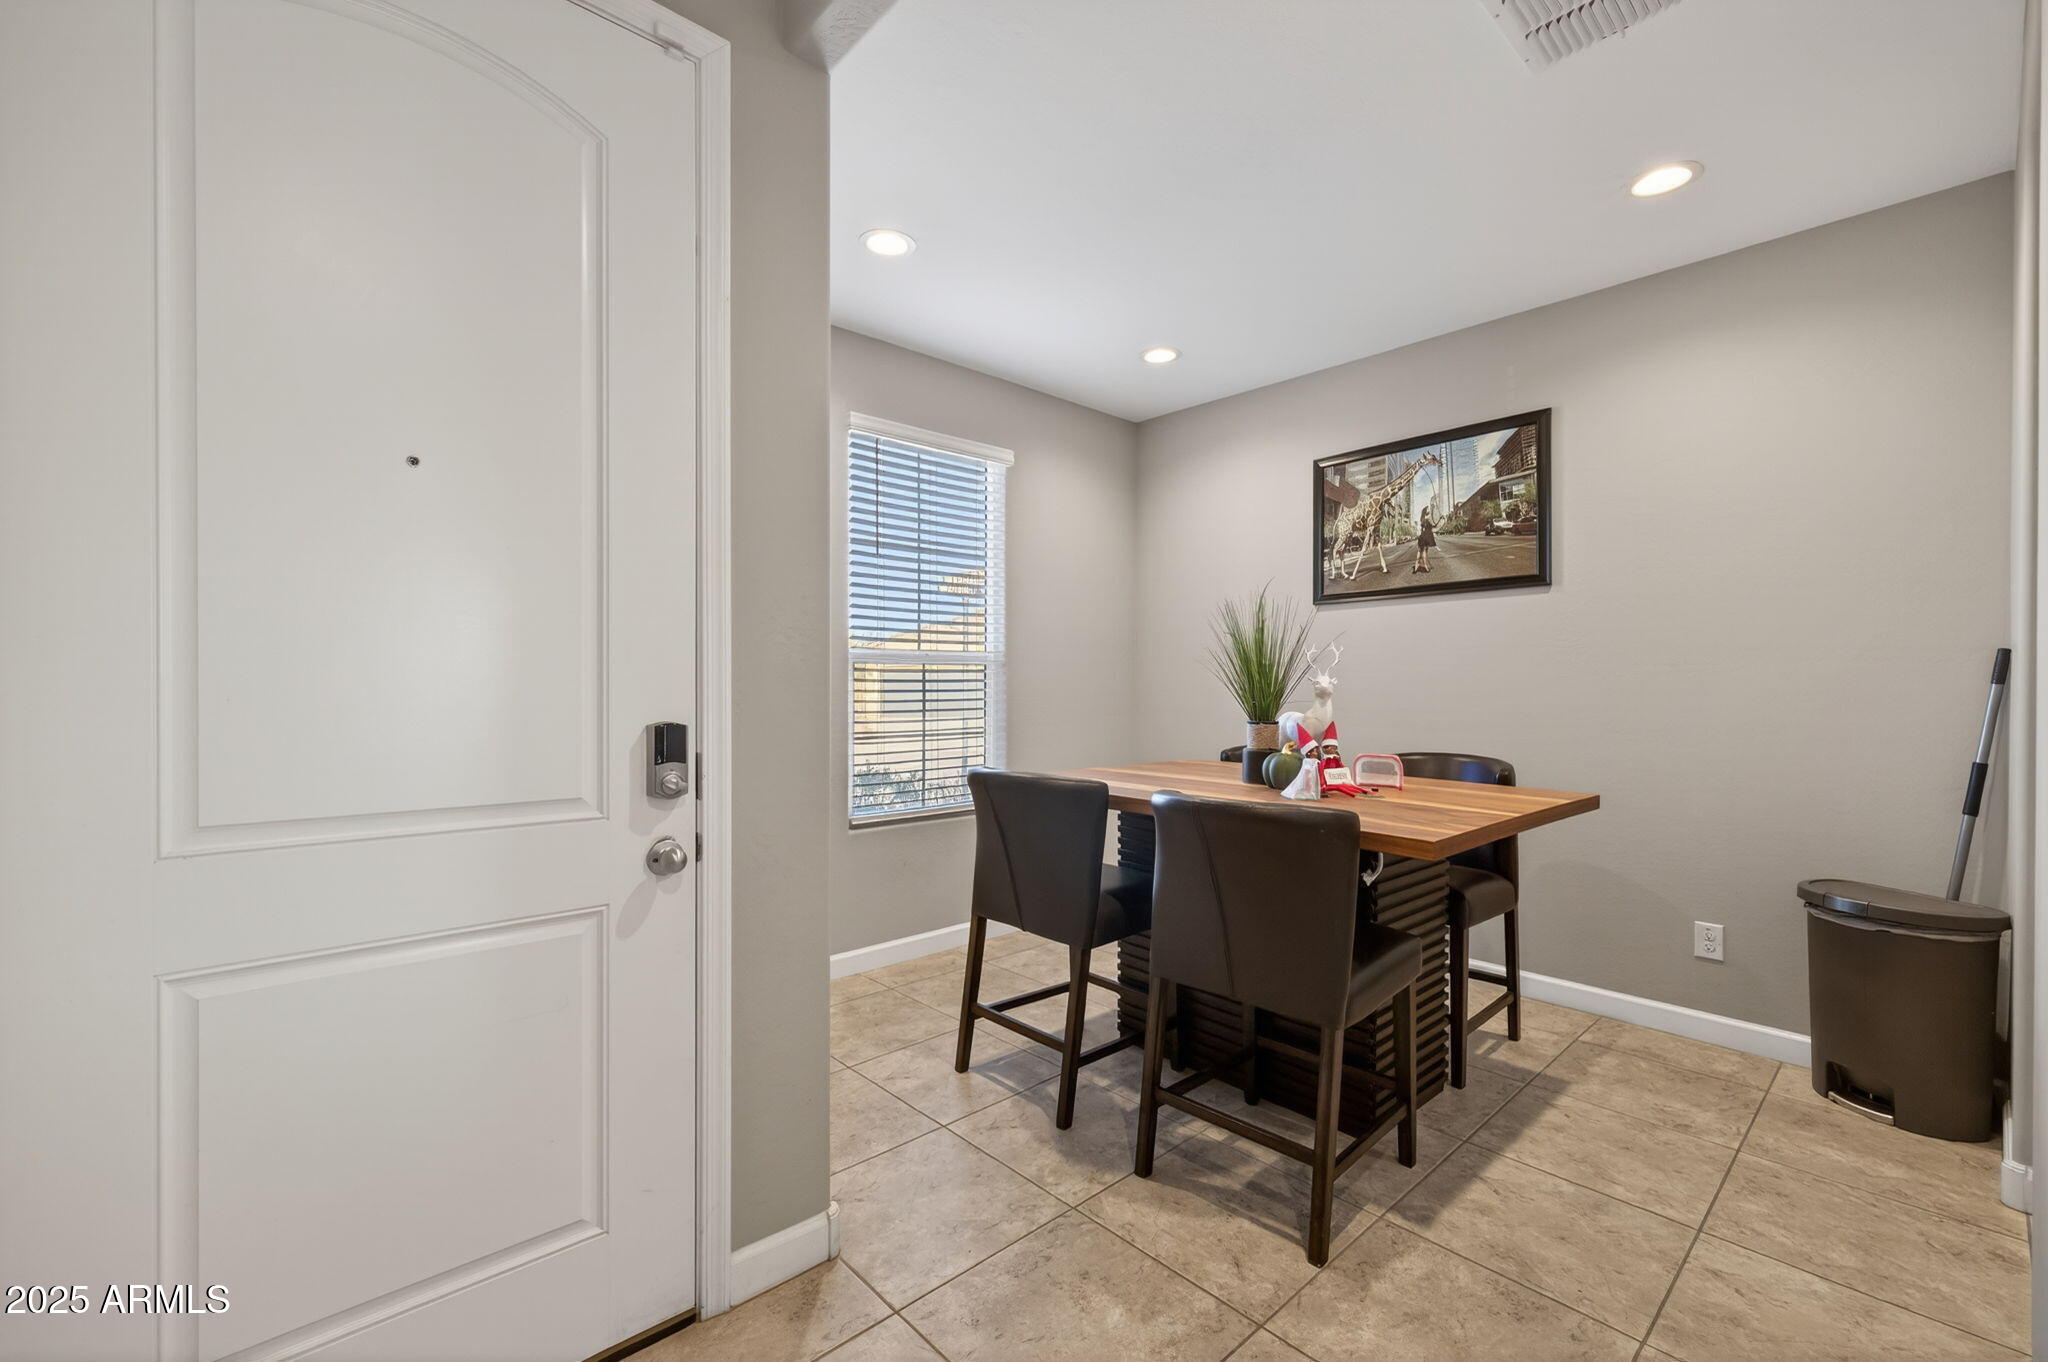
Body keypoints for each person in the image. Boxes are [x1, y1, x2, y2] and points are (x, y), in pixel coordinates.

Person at [1413, 505, 1437, 573]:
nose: (1429, 510)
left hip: (1422, 537)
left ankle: (1416, 567)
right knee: (1424, 552)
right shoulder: (1428, 519)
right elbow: (1434, 526)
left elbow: (1423, 529)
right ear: (1426, 511)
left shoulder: (1422, 519)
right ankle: (1426, 567)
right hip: (1426, 537)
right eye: (1428, 509)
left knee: (1419, 551)